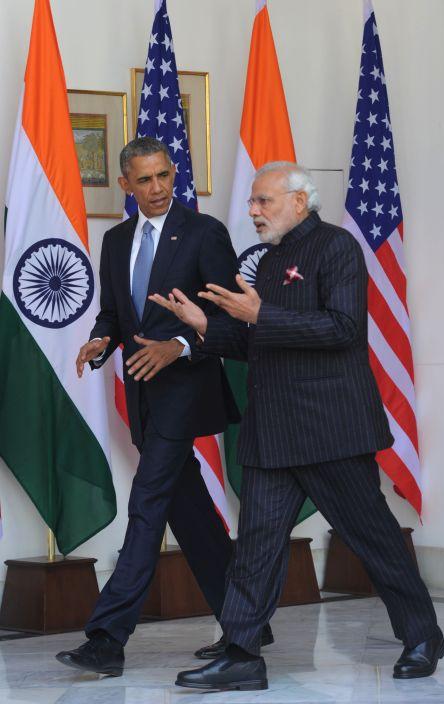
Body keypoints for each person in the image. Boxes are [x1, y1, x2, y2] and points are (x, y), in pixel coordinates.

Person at [150, 161, 444, 690]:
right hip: (272, 433)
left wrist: (260, 316)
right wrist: (206, 329)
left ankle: (423, 636)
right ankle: (242, 651)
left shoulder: (336, 248)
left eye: (263, 201)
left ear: (298, 202)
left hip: (330, 430)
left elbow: (344, 329)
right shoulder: (270, 262)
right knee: (257, 545)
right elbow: (259, 343)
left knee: (373, 539)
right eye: (253, 202)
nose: (253, 211)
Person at [55, 137, 273, 677]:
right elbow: (114, 313)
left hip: (187, 389)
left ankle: (107, 637)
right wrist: (101, 339)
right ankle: (246, 621)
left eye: (165, 176)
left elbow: (229, 321)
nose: (157, 189)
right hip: (142, 394)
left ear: (174, 174)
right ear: (125, 185)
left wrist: (177, 346)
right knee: (189, 510)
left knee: (147, 503)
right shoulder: (115, 240)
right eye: (145, 180)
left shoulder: (204, 233)